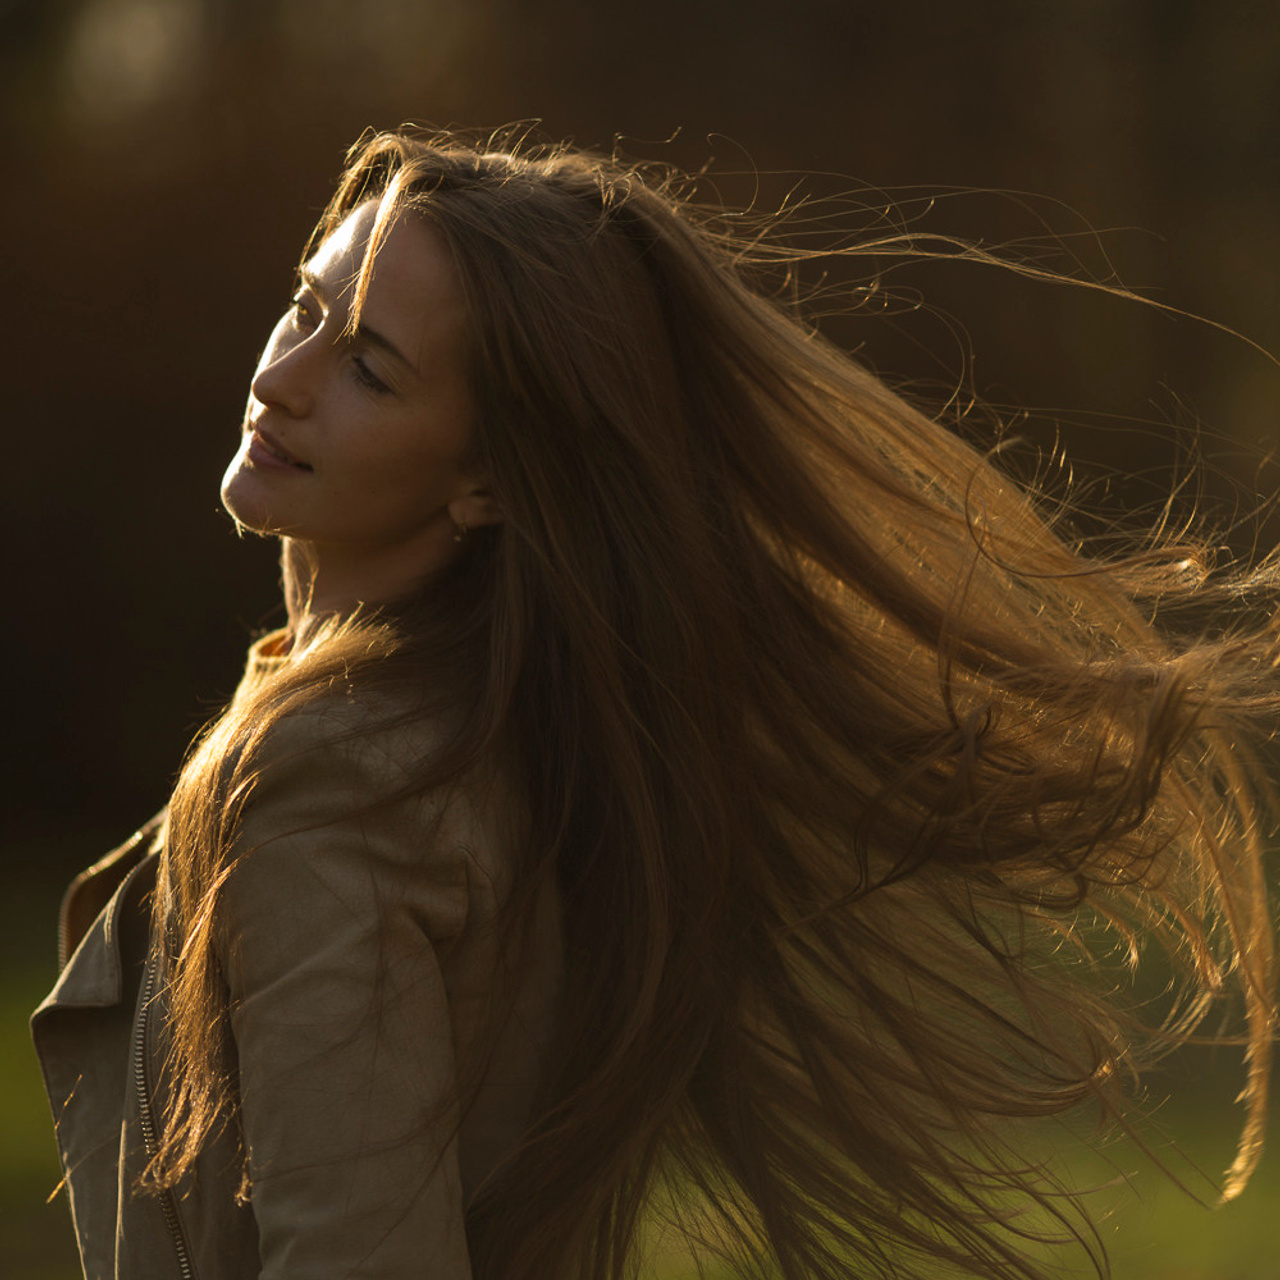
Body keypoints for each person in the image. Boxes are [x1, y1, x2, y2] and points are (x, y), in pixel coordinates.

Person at [33, 126, 1278, 1280]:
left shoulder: (333, 776)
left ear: (488, 481)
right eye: (306, 306)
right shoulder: (470, 729)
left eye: (369, 367)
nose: (284, 376)